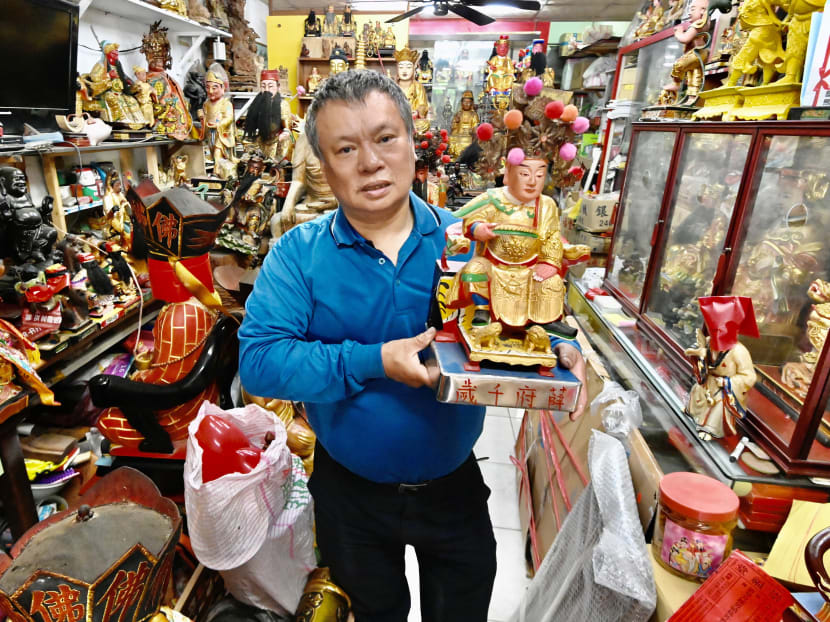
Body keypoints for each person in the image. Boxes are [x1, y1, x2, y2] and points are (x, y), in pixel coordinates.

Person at [238, 70, 497, 621]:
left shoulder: (466, 240)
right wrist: (374, 360)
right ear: (322, 164)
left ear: (412, 142)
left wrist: (556, 347)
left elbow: (518, 321)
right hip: (349, 494)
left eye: (385, 138)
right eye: (345, 149)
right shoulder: (297, 255)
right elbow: (259, 362)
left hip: (454, 486)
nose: (371, 163)